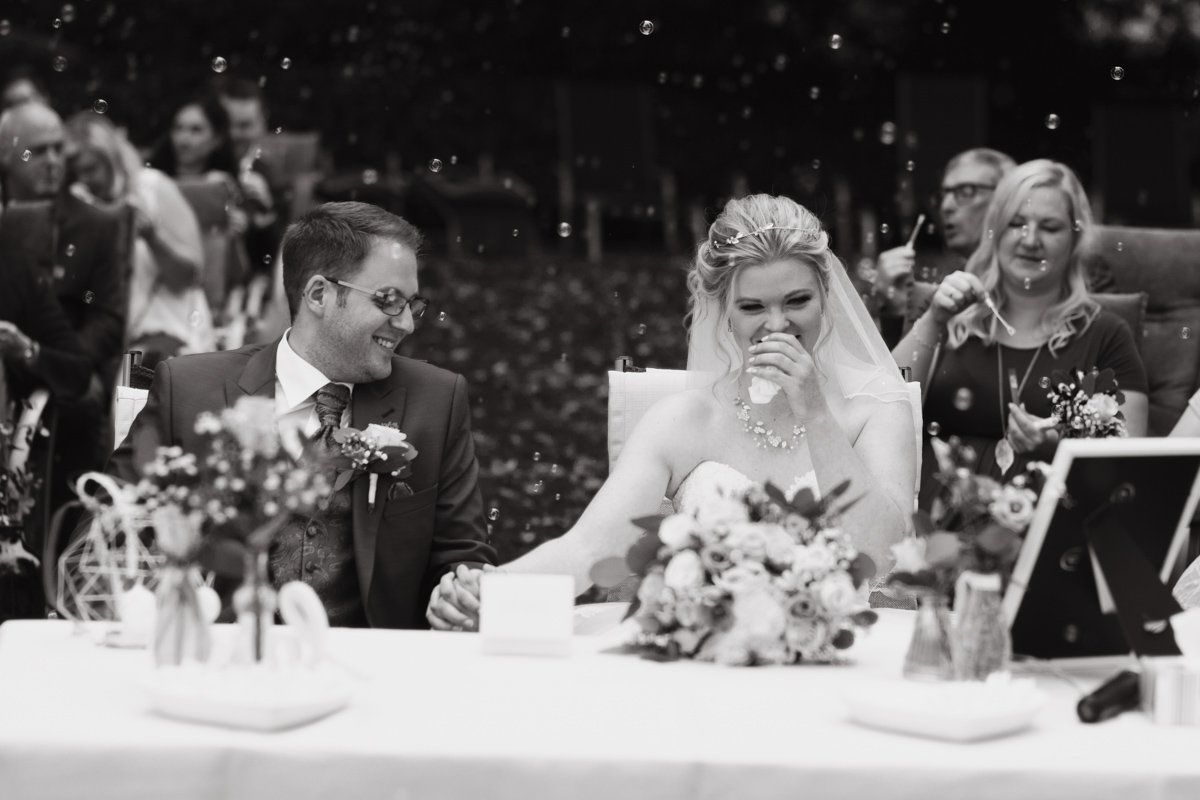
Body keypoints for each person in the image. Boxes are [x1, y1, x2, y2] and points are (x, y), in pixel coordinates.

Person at [430, 194, 918, 629]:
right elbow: (588, 549)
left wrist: (815, 414)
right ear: (723, 310)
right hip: (708, 651)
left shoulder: (875, 412)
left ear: (825, 297)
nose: (777, 324)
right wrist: (488, 590)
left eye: (797, 300)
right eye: (752, 307)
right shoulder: (681, 421)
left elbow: (878, 554)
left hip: (841, 648)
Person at [107, 201, 495, 628]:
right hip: (222, 664)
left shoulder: (436, 401)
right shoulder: (189, 390)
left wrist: (457, 591)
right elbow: (107, 534)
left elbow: (462, 556)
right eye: (389, 301)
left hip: (374, 672)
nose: (406, 324)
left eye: (412, 304)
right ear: (318, 295)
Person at [893, 159, 1149, 508]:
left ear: (1075, 239)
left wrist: (1056, 447)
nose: (1030, 240)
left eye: (1049, 227)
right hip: (932, 533)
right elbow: (885, 404)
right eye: (1016, 224)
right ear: (995, 231)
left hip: (1047, 528)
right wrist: (934, 320)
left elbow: (1130, 465)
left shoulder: (1105, 333)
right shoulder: (944, 314)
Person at [0, 101, 127, 547]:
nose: (54, 162)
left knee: (81, 397)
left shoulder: (95, 223)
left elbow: (109, 319)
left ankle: (57, 543)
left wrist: (48, 360)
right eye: (38, 151)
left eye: (59, 150)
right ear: (5, 155)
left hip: (64, 361)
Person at [65, 112, 216, 366]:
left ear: (111, 157)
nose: (86, 181)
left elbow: (190, 276)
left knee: (134, 388)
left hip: (169, 332)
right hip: (112, 343)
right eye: (76, 174)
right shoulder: (78, 208)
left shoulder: (152, 188)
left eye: (91, 169)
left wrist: (152, 238)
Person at [871, 148, 1016, 347]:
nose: (946, 206)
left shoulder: (1031, 289)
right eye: (943, 195)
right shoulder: (939, 296)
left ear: (1009, 198)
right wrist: (897, 311)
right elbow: (906, 375)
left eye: (966, 191)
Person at [217, 78, 283, 277]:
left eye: (244, 125)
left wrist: (266, 214)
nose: (233, 134)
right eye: (226, 124)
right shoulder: (200, 163)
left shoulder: (269, 176)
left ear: (262, 123)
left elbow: (275, 260)